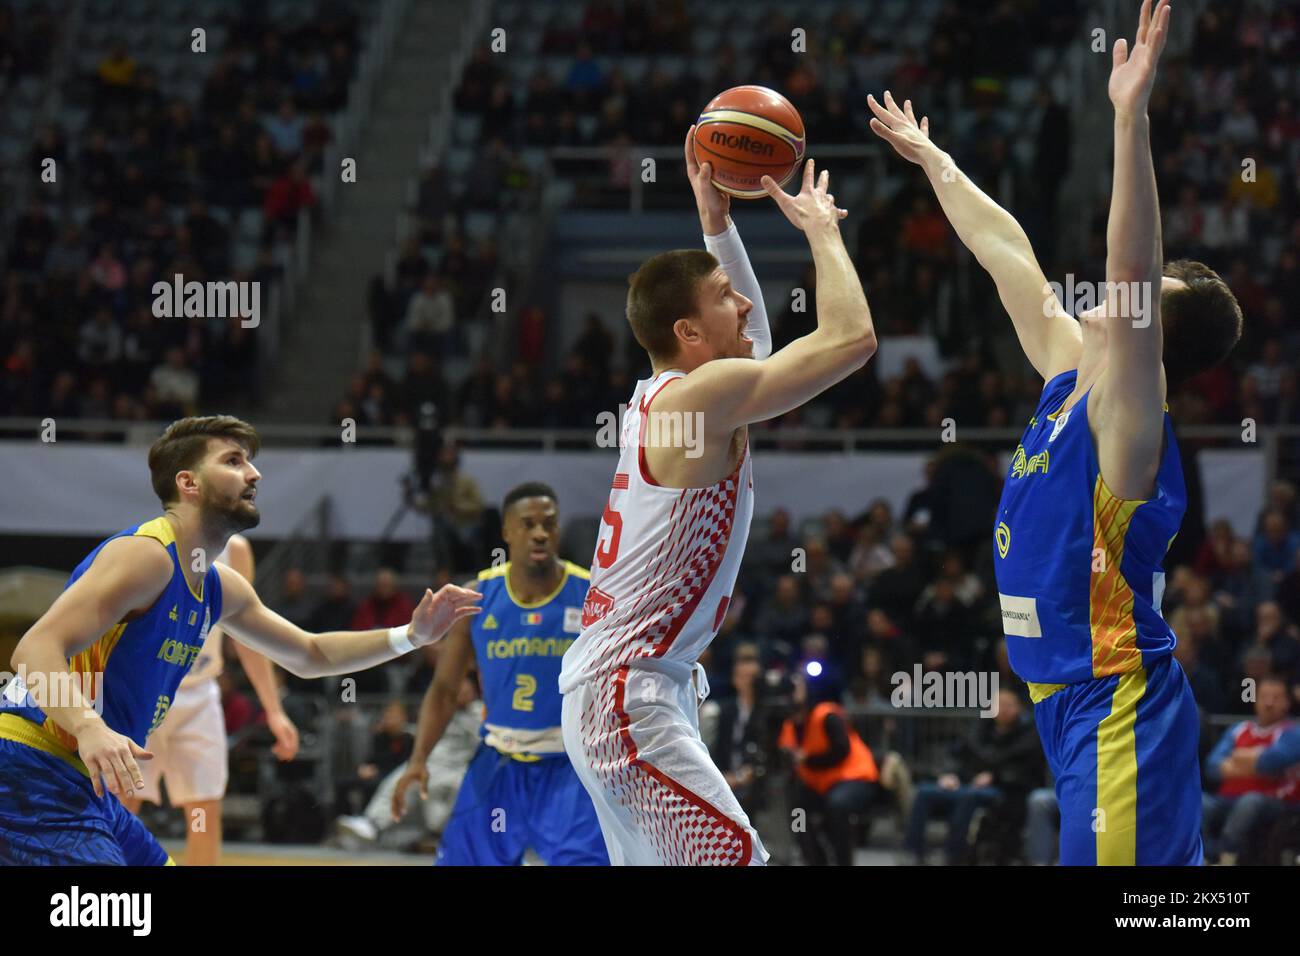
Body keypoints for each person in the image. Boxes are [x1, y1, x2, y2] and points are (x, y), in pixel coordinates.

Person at [870, 0, 1241, 865]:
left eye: (1141, 310)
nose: (1111, 303)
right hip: (1060, 702)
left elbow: (1132, 267)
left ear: (1156, 342)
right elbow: (1007, 253)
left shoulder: (1128, 423)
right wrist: (935, 160)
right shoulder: (1070, 376)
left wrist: (1128, 120)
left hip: (1118, 706)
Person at [559, 127, 877, 865]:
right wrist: (823, 233)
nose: (743, 303)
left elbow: (757, 347)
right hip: (626, 696)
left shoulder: (671, 396)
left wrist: (717, 224)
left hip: (627, 688)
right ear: (687, 331)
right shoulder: (696, 402)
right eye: (724, 297)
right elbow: (853, 338)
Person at [0, 415, 480, 865]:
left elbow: (309, 654)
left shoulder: (217, 586)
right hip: (31, 765)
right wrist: (89, 727)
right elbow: (34, 649)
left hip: (85, 784)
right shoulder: (146, 557)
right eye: (233, 460)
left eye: (250, 460)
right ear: (188, 482)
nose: (254, 474)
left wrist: (411, 635)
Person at [392, 482, 608, 865]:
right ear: (507, 532)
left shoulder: (591, 594)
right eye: (527, 524)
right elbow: (444, 690)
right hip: (498, 763)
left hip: (569, 767)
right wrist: (418, 759)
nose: (540, 532)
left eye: (549, 524)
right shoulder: (477, 597)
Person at [120, 533, 300, 866]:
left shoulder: (236, 550)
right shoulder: (151, 543)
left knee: (203, 808)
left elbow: (247, 633)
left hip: (200, 691)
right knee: (124, 803)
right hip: (145, 689)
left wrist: (274, 710)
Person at [902, 688, 1042, 865]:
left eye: (1009, 705)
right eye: (998, 704)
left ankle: (954, 855)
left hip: (1003, 790)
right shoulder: (979, 728)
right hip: (967, 782)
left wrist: (994, 776)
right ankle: (912, 852)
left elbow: (1023, 770)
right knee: (924, 791)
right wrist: (949, 774)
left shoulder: (1028, 734)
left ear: (1020, 709)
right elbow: (956, 754)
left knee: (969, 796)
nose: (1003, 709)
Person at [779, 669, 879, 866]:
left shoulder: (826, 715)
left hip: (855, 778)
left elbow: (842, 750)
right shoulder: (788, 725)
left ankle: (844, 861)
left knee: (837, 806)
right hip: (821, 784)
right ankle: (815, 858)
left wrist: (807, 759)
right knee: (797, 811)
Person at [1202, 675, 1295, 864]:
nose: (1268, 703)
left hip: (1270, 800)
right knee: (1199, 800)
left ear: (1286, 702)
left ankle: (1227, 857)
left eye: (1276, 698)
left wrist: (1236, 757)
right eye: (1263, 696)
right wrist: (1254, 759)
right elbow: (1211, 766)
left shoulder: (1292, 732)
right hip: (1226, 798)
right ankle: (1203, 855)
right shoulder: (1239, 729)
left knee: (1249, 801)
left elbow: (1271, 763)